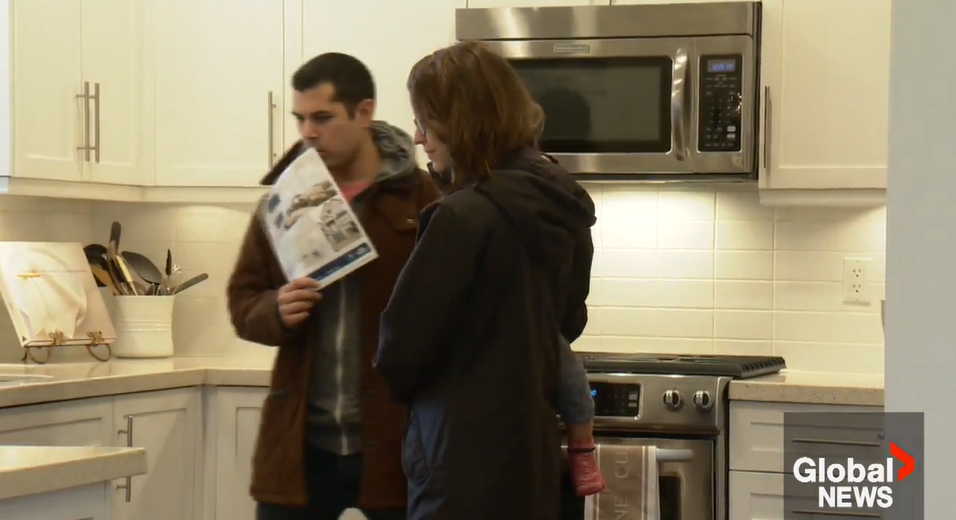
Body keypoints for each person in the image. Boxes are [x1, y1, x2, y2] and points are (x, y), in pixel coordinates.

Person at [373, 41, 600, 520]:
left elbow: (401, 348)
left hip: (458, 457)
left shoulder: (460, 217)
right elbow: (567, 321)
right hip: (530, 453)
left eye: (425, 122)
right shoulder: (562, 202)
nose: (418, 137)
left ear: (458, 123)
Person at [226, 52, 441, 520]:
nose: (307, 132)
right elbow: (242, 302)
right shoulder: (286, 199)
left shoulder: (422, 196)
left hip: (397, 441)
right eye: (300, 118)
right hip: (301, 446)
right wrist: (275, 309)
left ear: (364, 112)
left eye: (322, 118)